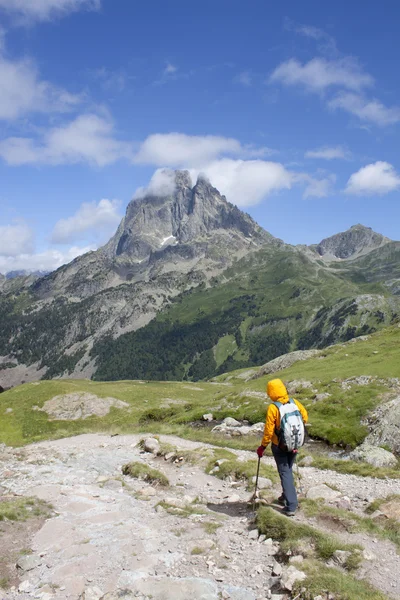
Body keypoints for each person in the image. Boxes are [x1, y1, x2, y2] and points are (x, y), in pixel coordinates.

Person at [257, 378, 308, 516]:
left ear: (271, 392)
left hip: (279, 445)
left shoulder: (273, 408)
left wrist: (262, 446)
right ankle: (285, 495)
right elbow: (305, 417)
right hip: (294, 443)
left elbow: (268, 431)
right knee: (288, 469)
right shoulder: (294, 402)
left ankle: (291, 505)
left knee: (285, 472)